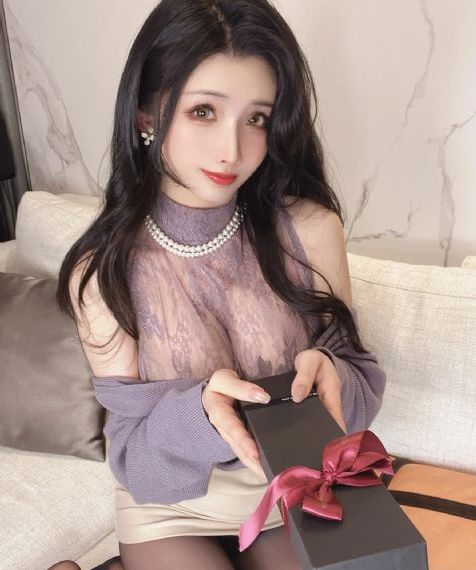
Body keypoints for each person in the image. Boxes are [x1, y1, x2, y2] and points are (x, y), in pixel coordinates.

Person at [51, 0, 386, 568]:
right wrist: (201, 417)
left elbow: (358, 382)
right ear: (146, 115)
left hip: (295, 484)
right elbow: (137, 462)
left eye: (257, 118)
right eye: (203, 111)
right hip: (171, 505)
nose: (232, 150)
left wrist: (337, 378)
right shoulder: (102, 271)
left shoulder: (311, 230)